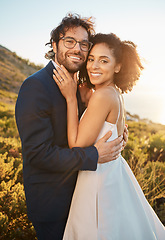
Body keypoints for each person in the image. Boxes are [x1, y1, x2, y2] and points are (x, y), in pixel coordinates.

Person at [15, 14, 128, 240]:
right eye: (69, 41)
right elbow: (38, 155)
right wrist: (94, 155)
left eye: (84, 44)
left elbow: (96, 121)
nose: (77, 49)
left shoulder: (83, 87)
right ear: (55, 44)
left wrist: (116, 131)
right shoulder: (36, 87)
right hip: (54, 205)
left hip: (85, 197)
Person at [53, 33, 165, 239]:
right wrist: (87, 98)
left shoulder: (103, 95)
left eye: (104, 60)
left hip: (98, 182)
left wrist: (70, 98)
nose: (94, 66)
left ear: (118, 66)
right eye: (92, 59)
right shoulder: (113, 92)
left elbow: (77, 145)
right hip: (112, 175)